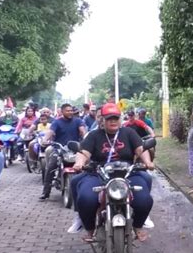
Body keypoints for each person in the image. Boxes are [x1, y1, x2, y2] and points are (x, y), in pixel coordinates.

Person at [70, 103, 155, 241]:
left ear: (120, 119)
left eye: (116, 118)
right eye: (109, 118)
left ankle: (138, 225)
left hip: (127, 173)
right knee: (85, 199)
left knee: (144, 200)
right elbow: (83, 153)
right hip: (99, 173)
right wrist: (79, 163)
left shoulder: (129, 133)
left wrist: (148, 162)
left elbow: (141, 149)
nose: (113, 121)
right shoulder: (93, 135)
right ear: (102, 120)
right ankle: (89, 229)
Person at [39, 103, 86, 200]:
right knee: (51, 167)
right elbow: (51, 132)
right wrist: (45, 139)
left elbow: (82, 130)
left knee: (85, 166)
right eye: (67, 111)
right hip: (59, 148)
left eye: (71, 110)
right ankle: (46, 192)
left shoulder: (78, 121)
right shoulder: (57, 122)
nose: (70, 112)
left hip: (74, 149)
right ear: (62, 111)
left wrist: (85, 138)